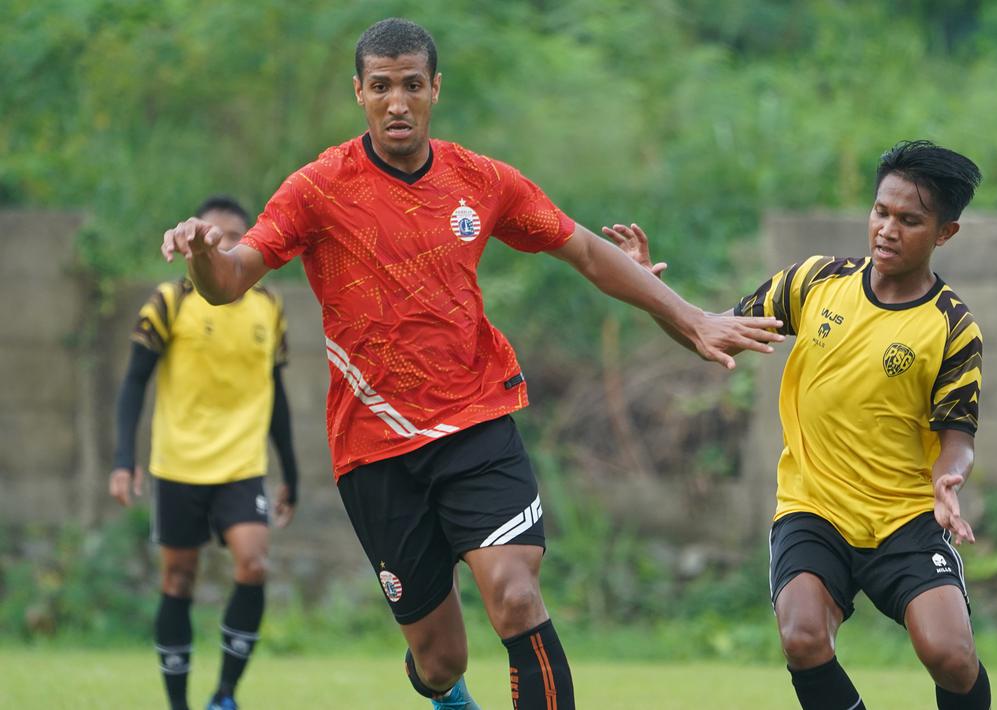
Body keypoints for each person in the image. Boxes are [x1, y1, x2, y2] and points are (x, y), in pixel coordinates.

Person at [159, 18, 782, 710]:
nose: (398, 102)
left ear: (435, 89)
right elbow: (231, 279)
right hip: (374, 452)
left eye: (412, 86)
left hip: (476, 422)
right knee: (439, 658)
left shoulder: (480, 180)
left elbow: (581, 250)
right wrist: (201, 255)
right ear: (359, 93)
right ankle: (442, 691)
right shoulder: (317, 188)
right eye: (382, 87)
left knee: (516, 596)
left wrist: (691, 315)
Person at [605, 140, 991, 710]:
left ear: (944, 233)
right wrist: (652, 292)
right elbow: (710, 333)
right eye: (881, 212)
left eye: (909, 220)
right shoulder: (813, 282)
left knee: (951, 659)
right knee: (802, 636)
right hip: (814, 507)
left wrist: (948, 479)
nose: (887, 229)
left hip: (904, 515)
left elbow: (958, 435)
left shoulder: (952, 326)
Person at [110, 195, 301, 710]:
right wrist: (123, 460)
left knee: (254, 564)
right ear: (193, 245)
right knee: (177, 578)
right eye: (211, 236)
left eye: (235, 236)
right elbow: (133, 384)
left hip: (243, 466)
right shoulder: (169, 302)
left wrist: (292, 473)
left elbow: (278, 395)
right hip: (179, 465)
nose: (222, 245)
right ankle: (178, 704)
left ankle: (225, 696)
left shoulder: (269, 307)